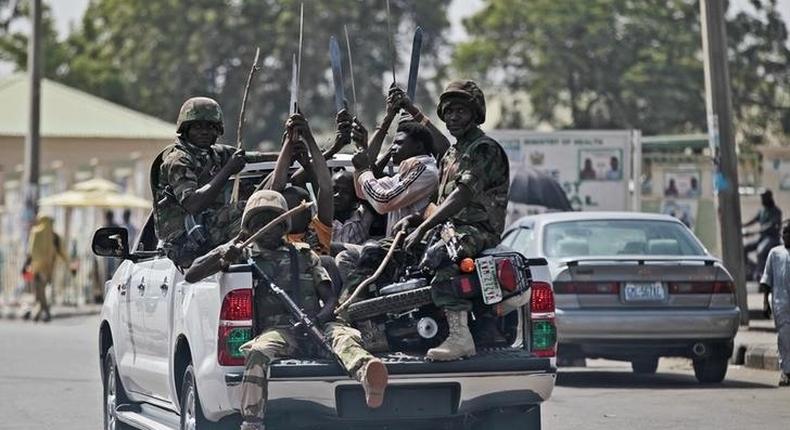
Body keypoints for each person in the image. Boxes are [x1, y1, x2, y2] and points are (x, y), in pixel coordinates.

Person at [185, 190, 388, 429]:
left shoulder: (303, 253)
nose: (267, 228)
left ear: (284, 226)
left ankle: (369, 376)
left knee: (344, 338)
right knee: (258, 351)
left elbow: (329, 298)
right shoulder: (243, 255)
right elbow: (192, 274)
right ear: (250, 227)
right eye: (260, 222)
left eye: (273, 222)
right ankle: (252, 421)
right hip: (279, 331)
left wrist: (317, 319)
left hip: (315, 323)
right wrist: (224, 254)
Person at [151, 97, 278, 268]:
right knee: (250, 211)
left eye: (210, 126)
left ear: (217, 130)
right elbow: (193, 204)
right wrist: (227, 170)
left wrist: (292, 151)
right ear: (185, 129)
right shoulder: (178, 160)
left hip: (207, 230)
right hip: (184, 244)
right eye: (197, 126)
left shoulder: (214, 154)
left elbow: (256, 159)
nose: (204, 132)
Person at [269, 113, 334, 256]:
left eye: (301, 207)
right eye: (292, 208)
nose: (296, 211)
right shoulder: (273, 238)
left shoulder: (318, 231)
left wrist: (309, 138)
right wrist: (289, 140)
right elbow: (275, 188)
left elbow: (326, 188)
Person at [759, 223, 790, 387]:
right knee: (784, 338)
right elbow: (767, 280)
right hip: (781, 304)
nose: (786, 236)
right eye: (784, 232)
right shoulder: (775, 253)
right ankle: (786, 372)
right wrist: (766, 303)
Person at [22, 216, 66, 322]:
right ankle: (40, 313)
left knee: (39, 291)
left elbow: (30, 251)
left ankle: (43, 312)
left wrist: (25, 265)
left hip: (36, 268)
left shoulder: (35, 233)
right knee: (40, 291)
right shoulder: (54, 236)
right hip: (49, 269)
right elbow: (62, 252)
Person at [744, 189, 783, 282]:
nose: (762, 200)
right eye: (761, 198)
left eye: (764, 198)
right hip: (762, 238)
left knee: (761, 251)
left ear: (769, 198)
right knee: (744, 249)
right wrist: (742, 225)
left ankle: (760, 275)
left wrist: (753, 232)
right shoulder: (762, 210)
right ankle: (753, 269)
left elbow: (770, 226)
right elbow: (754, 220)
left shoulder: (776, 211)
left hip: (772, 239)